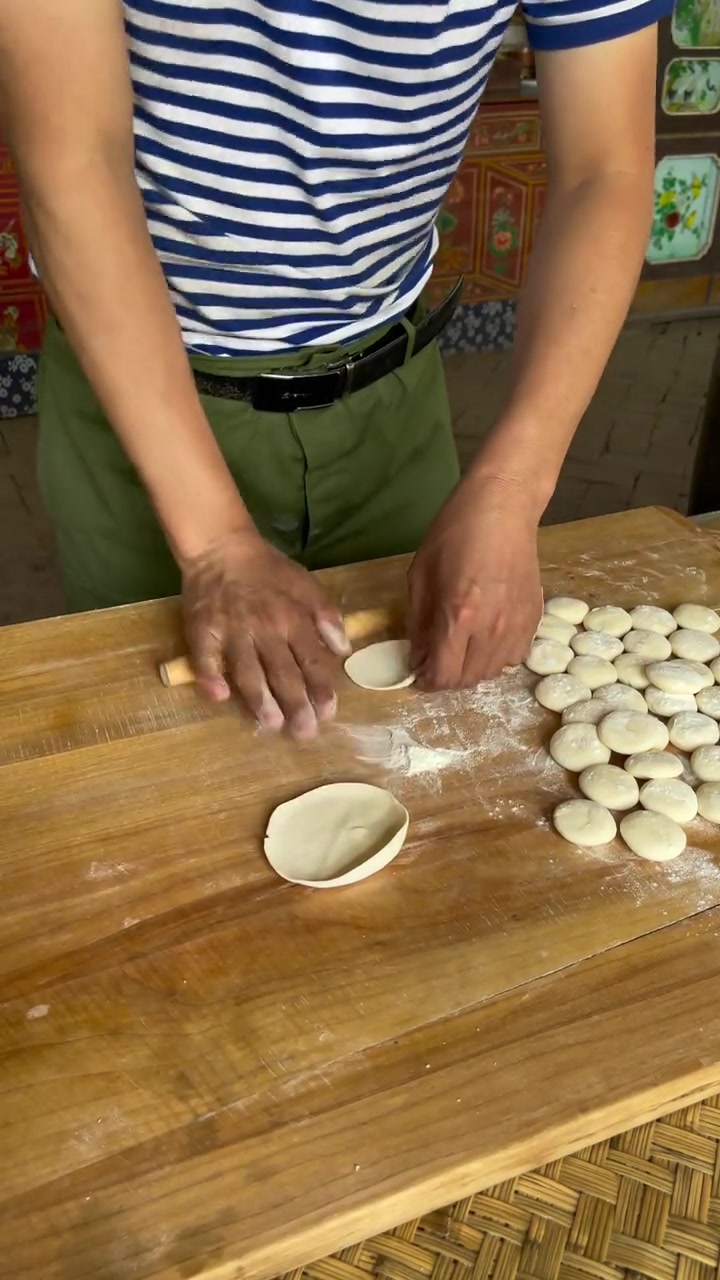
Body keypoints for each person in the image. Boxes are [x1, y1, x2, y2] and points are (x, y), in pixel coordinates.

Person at [0, 0, 666, 738]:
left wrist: (512, 488)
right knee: (166, 749)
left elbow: (605, 170)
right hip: (146, 398)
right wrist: (216, 544)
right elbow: (72, 162)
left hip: (392, 396)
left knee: (426, 735)